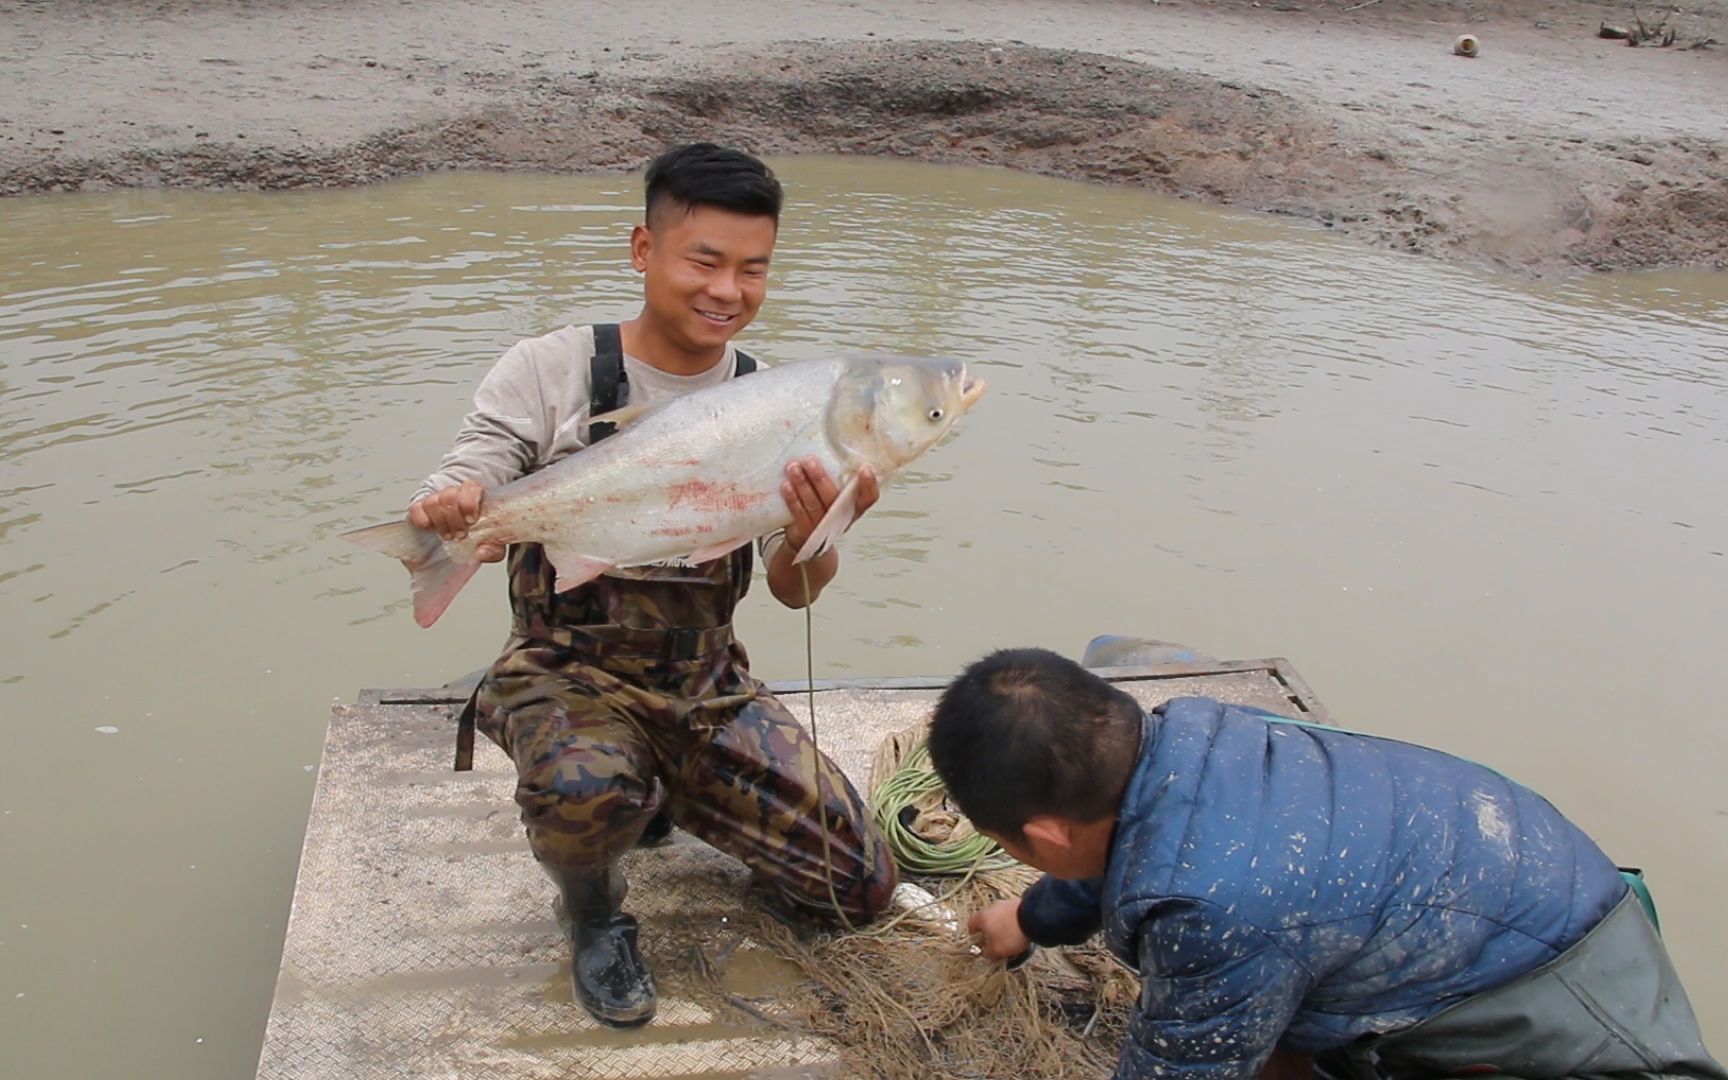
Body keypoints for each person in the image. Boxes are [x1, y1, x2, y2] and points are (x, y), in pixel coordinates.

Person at [406, 143, 898, 1029]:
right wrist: (456, 506)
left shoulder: (772, 399)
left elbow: (796, 590)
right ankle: (593, 912)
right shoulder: (551, 368)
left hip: (706, 686)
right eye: (704, 261)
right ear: (644, 250)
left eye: (754, 270)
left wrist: (823, 529)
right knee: (583, 791)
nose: (727, 292)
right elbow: (475, 462)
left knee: (859, 886)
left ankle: (668, 789)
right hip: (568, 674)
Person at [927, 647, 1724, 1080]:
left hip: (1567, 1021)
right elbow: (1125, 847)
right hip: (1535, 887)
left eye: (1009, 845)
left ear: (1046, 835)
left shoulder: (1212, 911)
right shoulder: (1188, 736)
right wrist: (1027, 918)